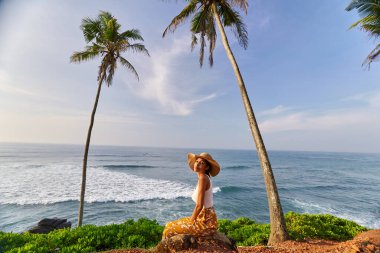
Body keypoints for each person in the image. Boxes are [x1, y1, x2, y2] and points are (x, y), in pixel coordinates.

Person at [162, 152, 220, 240]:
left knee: (169, 230)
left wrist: (191, 222)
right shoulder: (203, 177)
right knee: (168, 225)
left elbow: (199, 206)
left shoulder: (203, 178)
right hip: (203, 217)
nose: (197, 164)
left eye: (202, 163)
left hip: (206, 222)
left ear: (207, 167)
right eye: (197, 161)